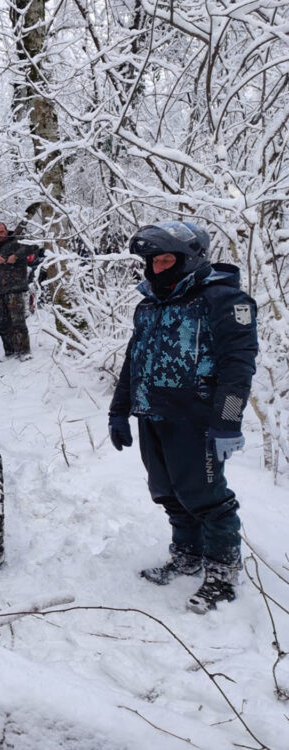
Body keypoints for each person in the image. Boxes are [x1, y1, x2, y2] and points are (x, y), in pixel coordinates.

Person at [108, 220, 258, 613]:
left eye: (166, 260)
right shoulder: (149, 305)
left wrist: (227, 422)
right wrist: (119, 411)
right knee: (168, 493)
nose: (157, 268)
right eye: (152, 261)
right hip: (152, 414)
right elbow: (133, 361)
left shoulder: (224, 300)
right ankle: (187, 555)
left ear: (191, 259)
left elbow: (238, 366)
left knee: (207, 499)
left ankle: (223, 573)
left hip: (197, 420)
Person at [0, 222, 33, 358]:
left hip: (14, 288)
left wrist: (16, 256)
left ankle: (24, 351)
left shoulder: (17, 241)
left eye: (1, 231)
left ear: (6, 230)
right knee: (3, 323)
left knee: (18, 321)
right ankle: (9, 351)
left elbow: (33, 247)